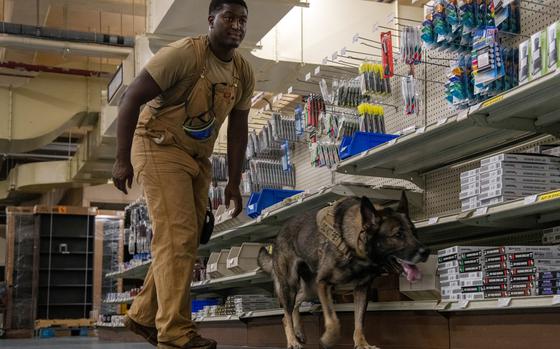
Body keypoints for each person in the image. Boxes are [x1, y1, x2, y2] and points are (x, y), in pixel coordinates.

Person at [111, 0, 254, 348]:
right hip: (158, 145)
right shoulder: (184, 55)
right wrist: (120, 160)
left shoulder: (242, 72)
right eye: (229, 17)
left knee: (187, 240)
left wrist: (233, 182)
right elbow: (131, 97)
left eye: (242, 20)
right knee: (177, 235)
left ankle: (144, 314)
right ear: (211, 20)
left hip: (197, 158)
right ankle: (175, 333)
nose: (236, 25)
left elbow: (238, 129)